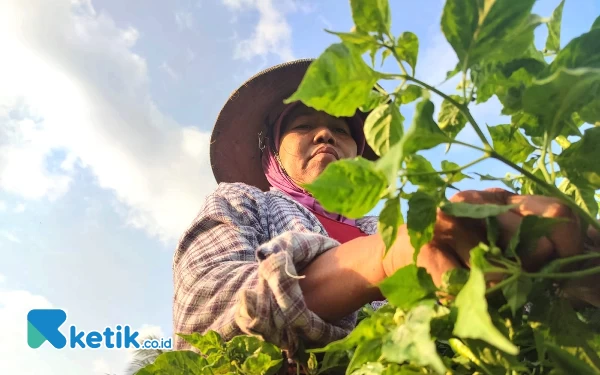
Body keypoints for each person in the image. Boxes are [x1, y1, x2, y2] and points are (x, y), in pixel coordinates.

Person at [172, 59, 599, 366]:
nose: (325, 134)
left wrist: (559, 269)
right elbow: (203, 311)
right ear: (271, 150)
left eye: (341, 129)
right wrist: (384, 258)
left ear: (360, 152)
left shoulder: (385, 226)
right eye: (302, 125)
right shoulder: (245, 202)